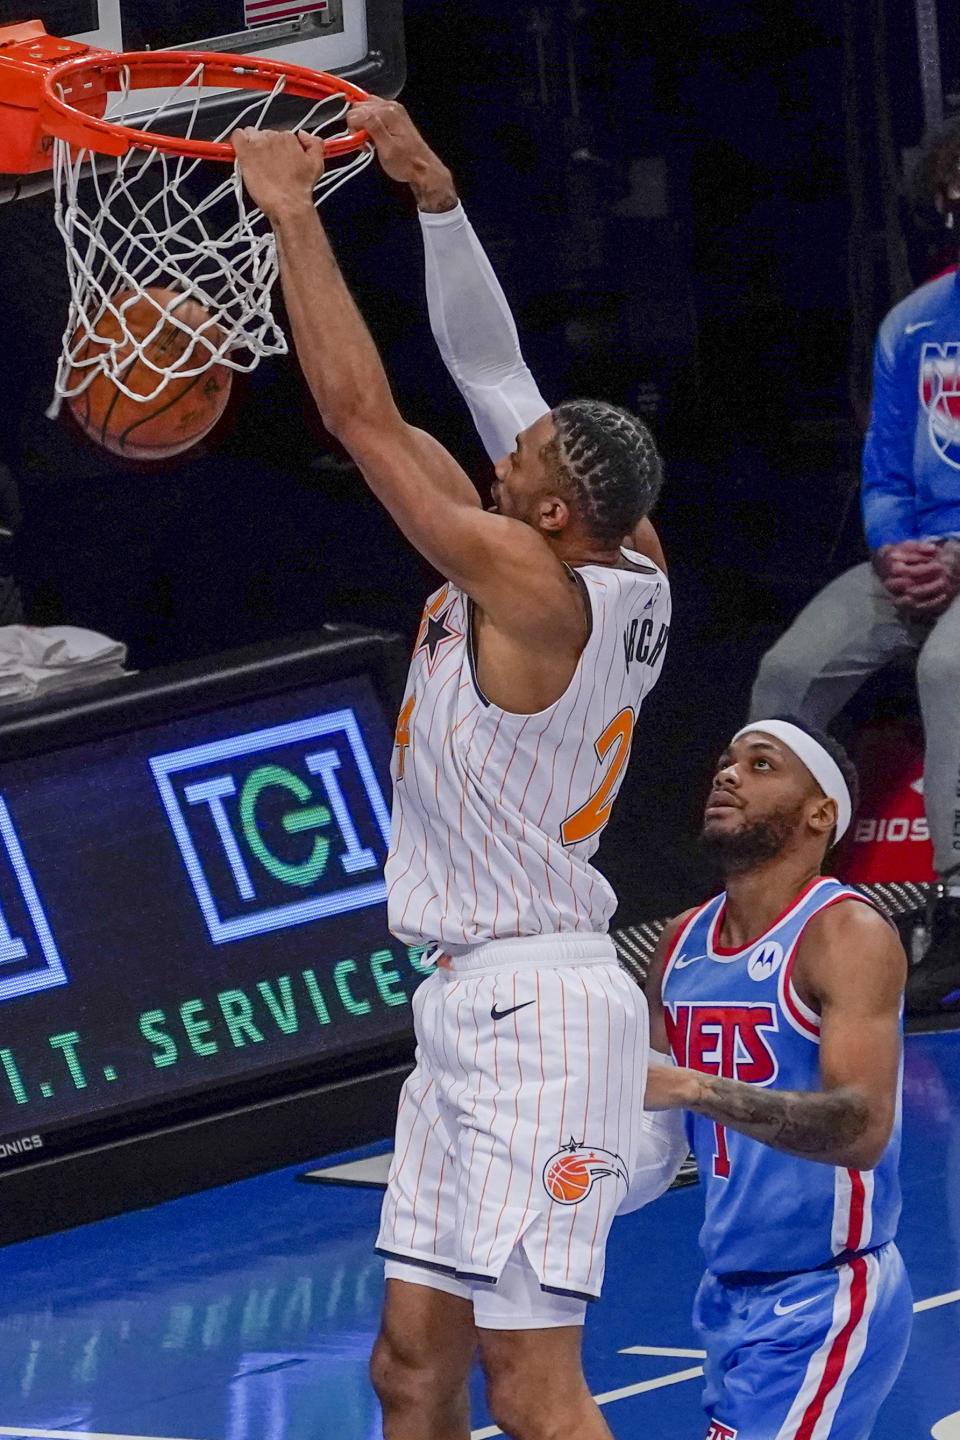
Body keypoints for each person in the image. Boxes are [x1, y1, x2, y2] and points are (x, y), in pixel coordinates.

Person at [232, 115, 682, 1440]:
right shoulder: (624, 551)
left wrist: (294, 216)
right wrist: (436, 201)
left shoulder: (534, 597)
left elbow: (359, 413)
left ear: (549, 520)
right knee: (407, 1373)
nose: (506, 452)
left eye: (524, 468)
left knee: (533, 1389)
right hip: (468, 1011)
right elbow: (493, 373)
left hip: (540, 1021)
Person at [644, 717, 913, 1440]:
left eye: (761, 765)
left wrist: (695, 1088)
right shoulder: (679, 942)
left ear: (819, 812)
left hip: (827, 1294)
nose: (728, 774)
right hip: (726, 1294)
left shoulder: (845, 934)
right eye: (726, 761)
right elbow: (649, 1135)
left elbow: (861, 1128)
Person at [749, 117, 960, 1018]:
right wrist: (894, 547)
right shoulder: (911, 324)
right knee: (789, 669)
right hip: (914, 559)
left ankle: (955, 904)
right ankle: (772, 884)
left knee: (948, 668)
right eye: (951, 193)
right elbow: (883, 472)